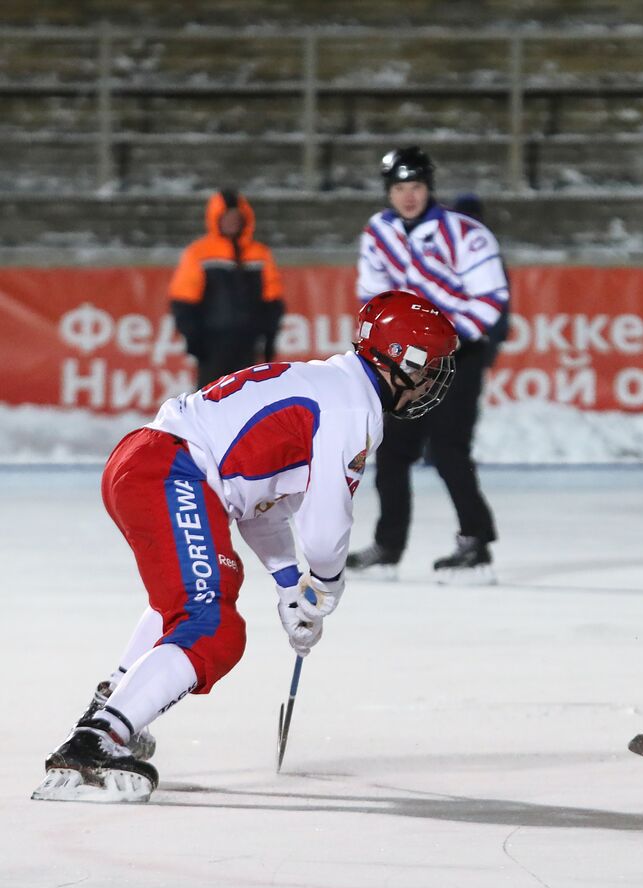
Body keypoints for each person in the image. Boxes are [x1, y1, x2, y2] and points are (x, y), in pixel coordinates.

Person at [32, 291, 459, 803]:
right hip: (172, 469)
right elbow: (326, 530)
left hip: (144, 457)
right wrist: (322, 589)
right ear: (401, 363)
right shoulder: (352, 407)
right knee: (213, 627)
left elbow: (261, 504)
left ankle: (109, 708)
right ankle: (95, 744)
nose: (433, 382)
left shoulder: (329, 381)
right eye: (430, 369)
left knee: (190, 600)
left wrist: (287, 585)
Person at [347, 147, 510, 584]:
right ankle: (389, 547)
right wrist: (397, 344)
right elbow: (373, 297)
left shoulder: (466, 234)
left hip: (458, 356)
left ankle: (476, 543)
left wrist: (440, 339)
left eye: (415, 186)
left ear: (429, 187)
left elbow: (490, 300)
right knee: (394, 452)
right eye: (399, 188)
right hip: (408, 363)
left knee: (448, 450)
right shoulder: (378, 232)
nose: (408, 196)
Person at [170, 189, 286, 388]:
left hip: (248, 341)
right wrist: (193, 337)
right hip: (212, 342)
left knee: (246, 398)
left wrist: (270, 336)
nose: (232, 222)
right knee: (210, 398)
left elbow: (272, 300)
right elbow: (183, 300)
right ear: (216, 219)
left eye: (236, 217)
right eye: (227, 217)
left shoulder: (260, 254)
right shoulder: (199, 253)